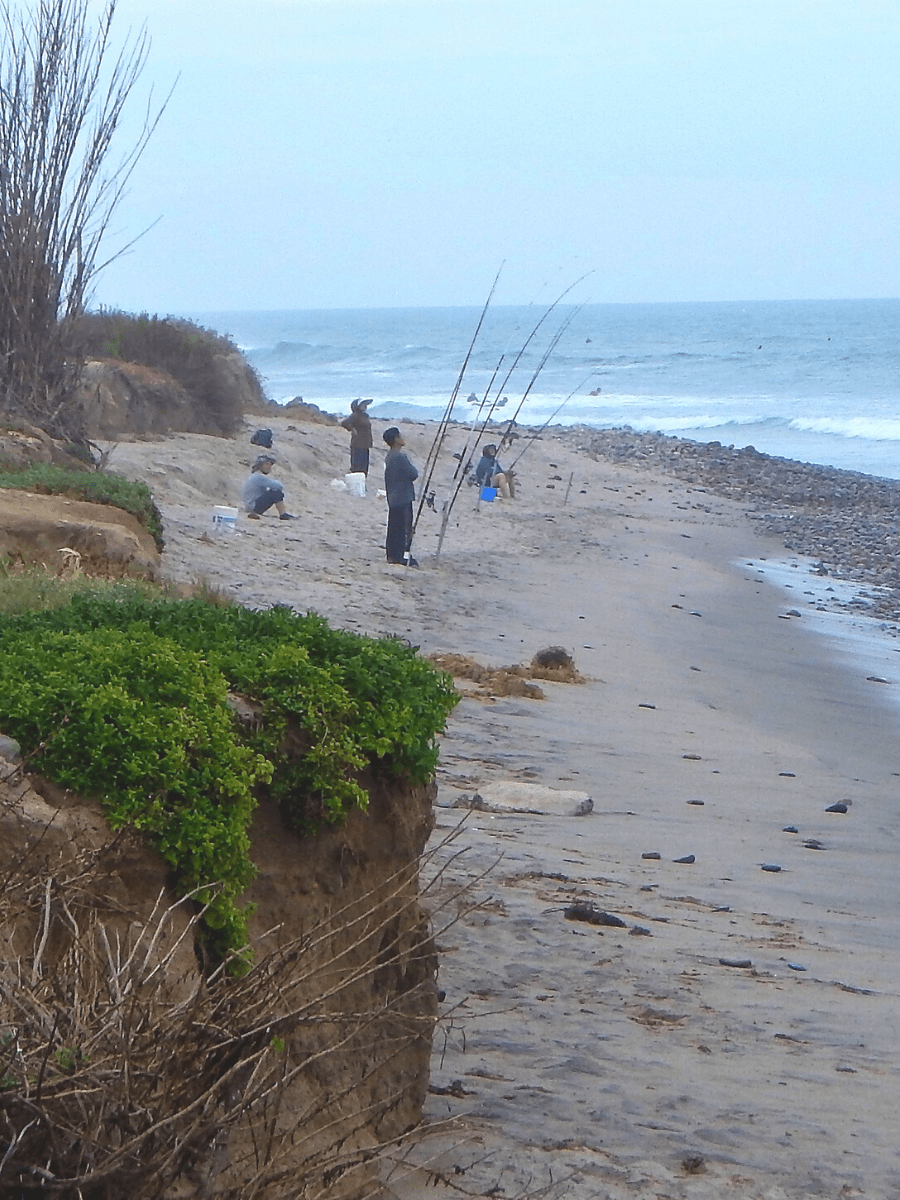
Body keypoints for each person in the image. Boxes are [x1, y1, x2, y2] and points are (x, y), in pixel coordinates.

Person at [382, 427, 418, 566]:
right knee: (403, 528)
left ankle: (392, 555)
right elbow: (413, 474)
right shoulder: (400, 457)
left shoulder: (390, 456)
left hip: (393, 497)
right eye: (400, 435)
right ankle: (400, 555)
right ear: (396, 439)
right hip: (403, 497)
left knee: (394, 527)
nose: (403, 437)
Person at [242, 455, 297, 520]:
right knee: (276, 493)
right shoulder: (259, 477)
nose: (269, 467)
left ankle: (283, 513)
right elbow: (278, 486)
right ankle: (283, 514)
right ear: (260, 466)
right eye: (266, 464)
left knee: (273, 492)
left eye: (270, 465)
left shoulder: (255, 476)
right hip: (253, 507)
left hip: (250, 506)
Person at [340, 398, 374, 475]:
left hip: (366, 444)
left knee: (364, 467)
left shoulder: (365, 416)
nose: (365, 407)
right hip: (358, 444)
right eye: (363, 405)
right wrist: (352, 429)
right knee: (357, 467)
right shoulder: (355, 415)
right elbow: (344, 423)